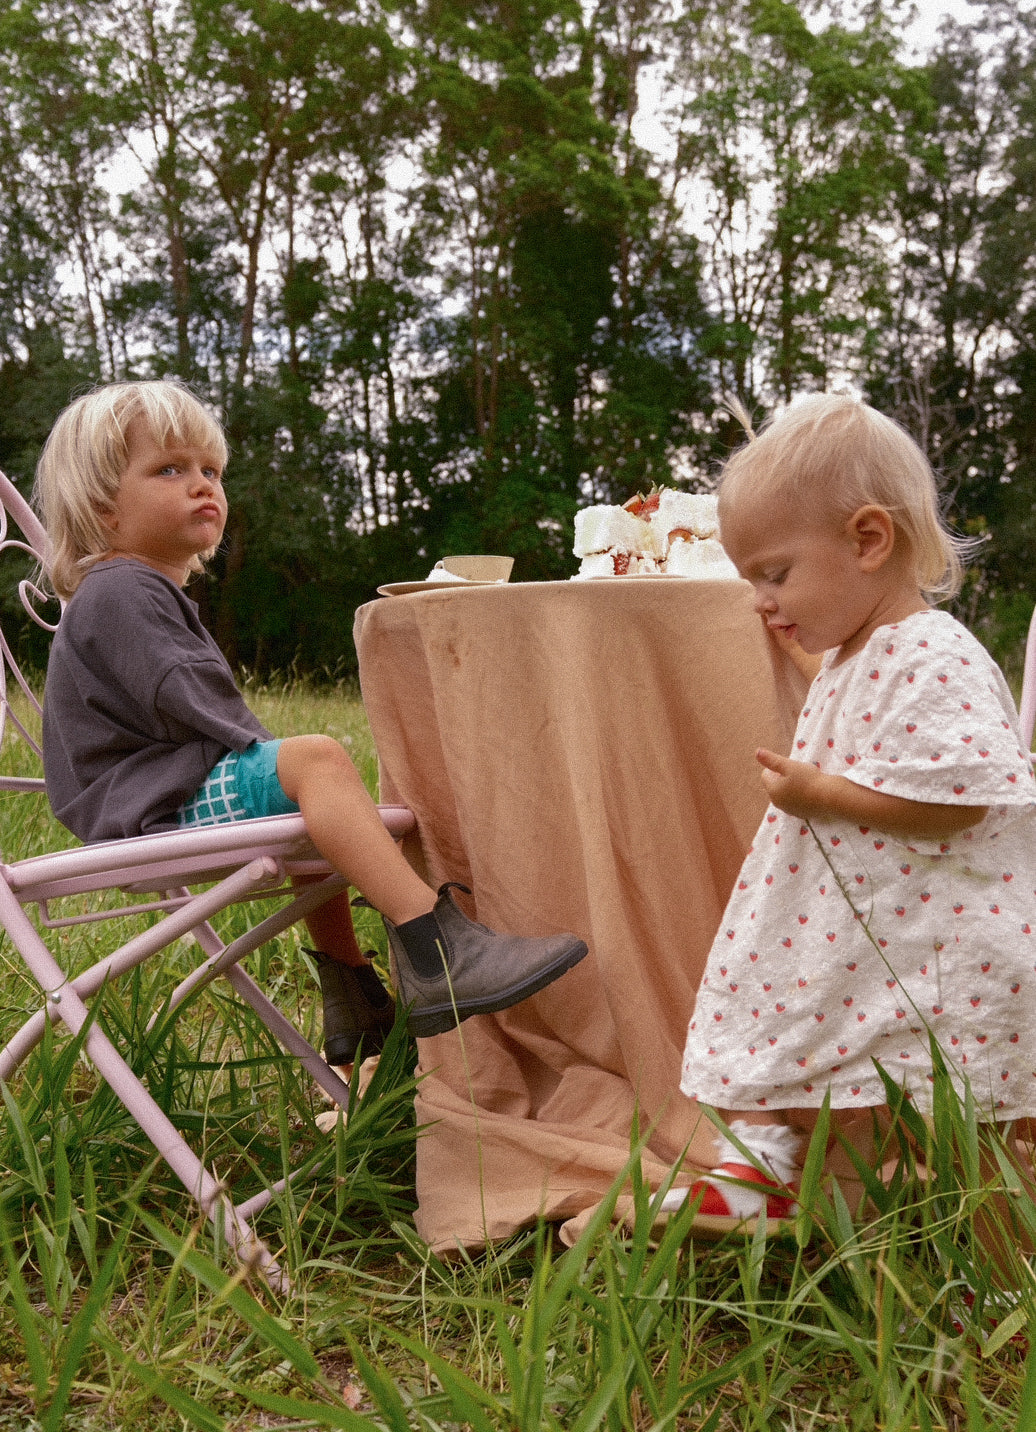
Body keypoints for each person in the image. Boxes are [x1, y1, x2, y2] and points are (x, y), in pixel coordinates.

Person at [34, 380, 587, 1072]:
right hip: (147, 808)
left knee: (310, 788)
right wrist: (275, 755)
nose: (204, 486)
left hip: (147, 796)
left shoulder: (135, 586)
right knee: (312, 762)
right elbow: (183, 691)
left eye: (212, 471)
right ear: (102, 507)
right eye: (170, 469)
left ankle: (351, 989)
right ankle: (437, 948)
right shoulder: (121, 588)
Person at [664, 393, 1036, 1225]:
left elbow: (961, 802)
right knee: (806, 1041)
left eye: (774, 572)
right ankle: (772, 1172)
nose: (760, 599)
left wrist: (818, 793)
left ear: (868, 540)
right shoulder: (862, 647)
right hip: (872, 928)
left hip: (939, 948)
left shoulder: (932, 652)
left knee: (963, 1116)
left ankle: (999, 1258)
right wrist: (799, 630)